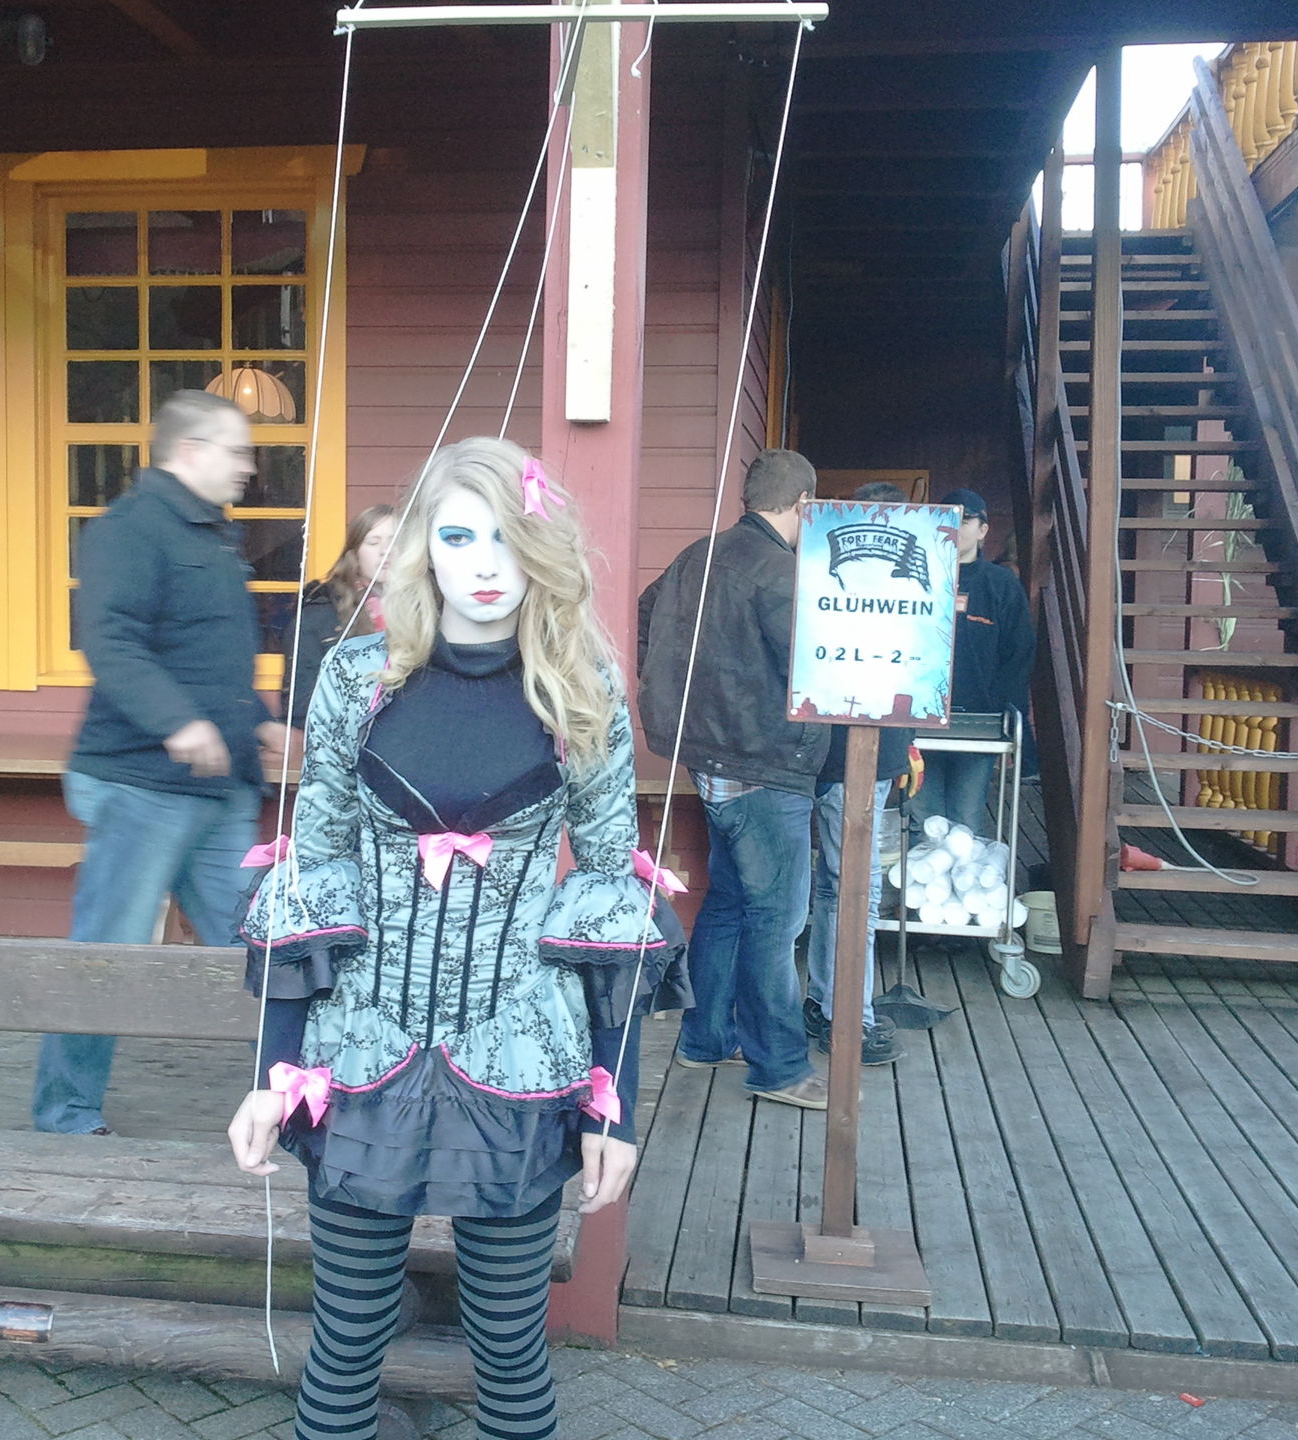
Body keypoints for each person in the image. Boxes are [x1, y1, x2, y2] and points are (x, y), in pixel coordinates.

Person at [228, 437, 687, 1440]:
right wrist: (271, 1075)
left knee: (511, 1348)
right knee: (347, 1338)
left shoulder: (579, 685)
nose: (485, 564)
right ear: (421, 549)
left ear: (542, 548)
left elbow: (608, 899)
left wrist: (613, 1111)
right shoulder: (358, 679)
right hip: (359, 1056)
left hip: (519, 1059)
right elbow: (312, 876)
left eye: (508, 539)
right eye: (459, 537)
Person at [33, 390, 292, 1136]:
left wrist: (258, 724)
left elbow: (208, 657)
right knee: (107, 954)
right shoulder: (130, 530)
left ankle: (294, 1101)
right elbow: (110, 642)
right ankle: (65, 1115)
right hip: (139, 785)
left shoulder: (214, 535)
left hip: (221, 788)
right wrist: (176, 721)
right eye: (237, 451)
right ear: (188, 451)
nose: (248, 467)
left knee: (257, 952)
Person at [637, 449, 830, 1111]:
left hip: (707, 760)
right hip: (766, 763)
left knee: (727, 904)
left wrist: (677, 697)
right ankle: (779, 1066)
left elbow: (646, 613)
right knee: (775, 919)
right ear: (804, 504)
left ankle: (705, 1037)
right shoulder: (782, 573)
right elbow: (814, 666)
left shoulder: (695, 557)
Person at [805, 481, 914, 1067]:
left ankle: (825, 1001)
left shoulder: (827, 580)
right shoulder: (899, 589)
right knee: (858, 893)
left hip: (833, 755)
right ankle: (851, 1018)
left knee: (832, 887)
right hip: (854, 761)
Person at [906, 487, 1036, 837]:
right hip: (919, 719)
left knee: (966, 819)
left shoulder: (1002, 585)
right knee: (924, 821)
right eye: (947, 518)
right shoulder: (915, 578)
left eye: (964, 519)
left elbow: (1019, 653)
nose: (955, 526)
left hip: (979, 723)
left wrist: (999, 710)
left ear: (983, 529)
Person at [283, 503, 397, 731]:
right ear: (354, 554)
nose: (386, 550)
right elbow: (301, 705)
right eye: (373, 542)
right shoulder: (319, 614)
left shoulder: (431, 609)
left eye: (396, 541)